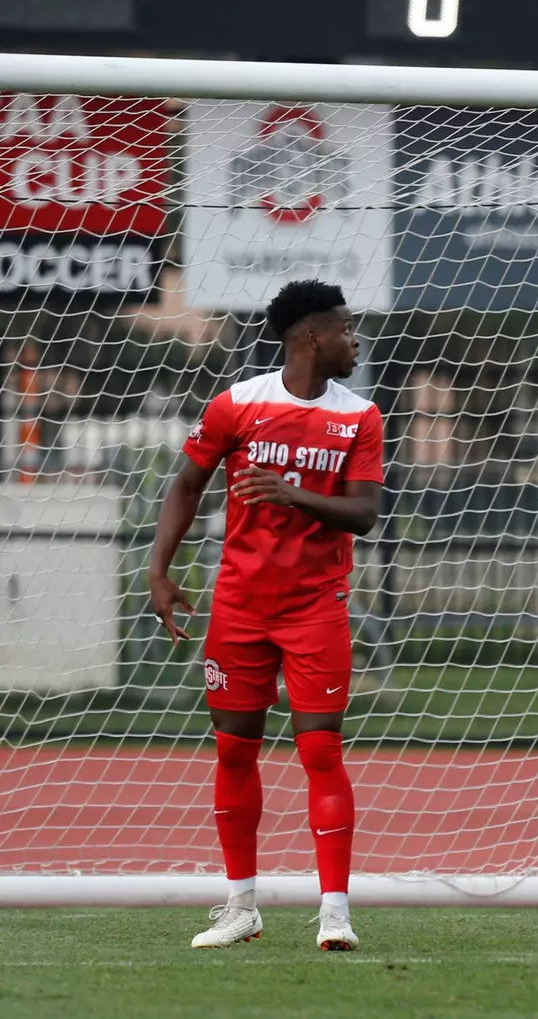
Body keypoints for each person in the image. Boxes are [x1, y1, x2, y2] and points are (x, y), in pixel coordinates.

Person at [147, 280, 384, 949]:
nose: (354, 339)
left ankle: (334, 913)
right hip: (240, 610)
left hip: (316, 610)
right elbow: (186, 486)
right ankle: (240, 905)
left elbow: (364, 513)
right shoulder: (237, 406)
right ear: (313, 337)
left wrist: (290, 492)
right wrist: (158, 571)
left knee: (320, 752)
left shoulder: (359, 416)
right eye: (345, 329)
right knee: (233, 753)